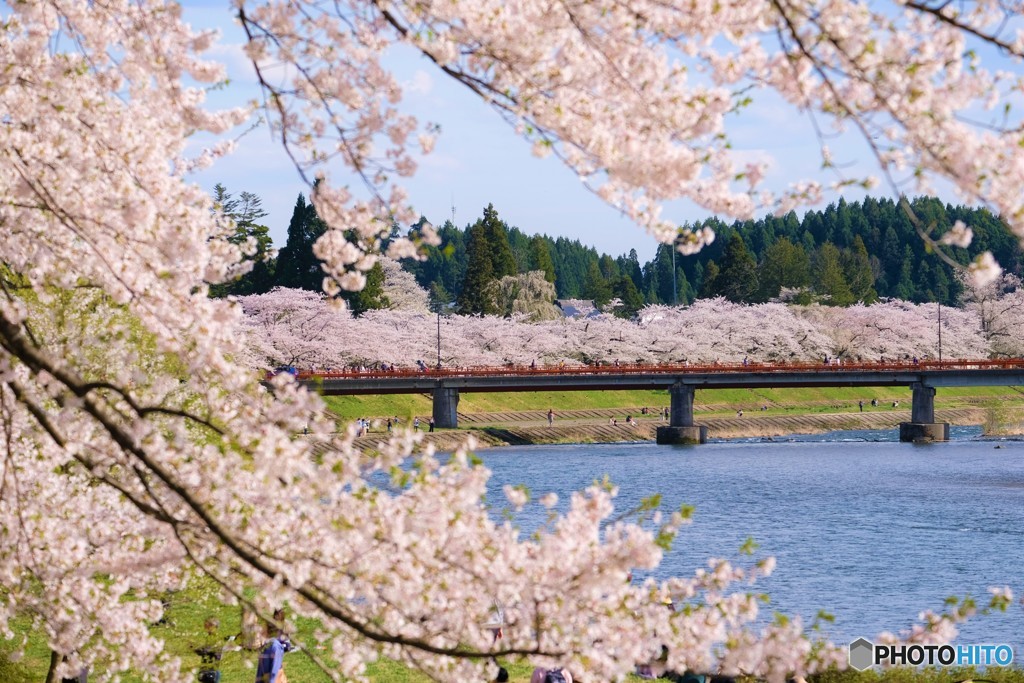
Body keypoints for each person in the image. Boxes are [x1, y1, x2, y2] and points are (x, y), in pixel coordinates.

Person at [254, 611, 293, 683]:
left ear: (268, 632)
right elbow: (260, 669)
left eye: (263, 630)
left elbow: (275, 669)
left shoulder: (275, 647)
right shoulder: (264, 647)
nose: (260, 632)